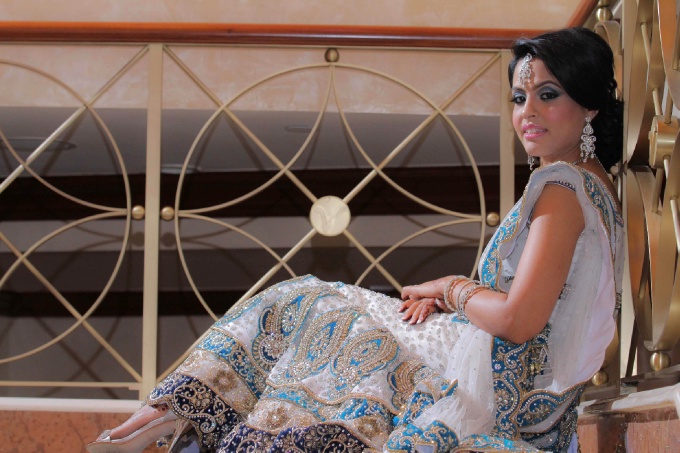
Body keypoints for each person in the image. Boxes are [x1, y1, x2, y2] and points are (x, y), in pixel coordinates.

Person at [88, 27, 624, 453]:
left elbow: (519, 321)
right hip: (508, 372)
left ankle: (163, 415)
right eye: (519, 97)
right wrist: (447, 302)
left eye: (547, 95)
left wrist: (450, 287)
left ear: (590, 105)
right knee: (312, 307)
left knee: (310, 303)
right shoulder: (590, 186)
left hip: (502, 384)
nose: (527, 113)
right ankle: (167, 415)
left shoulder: (562, 187)